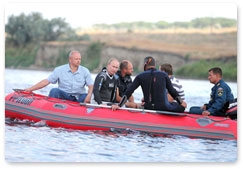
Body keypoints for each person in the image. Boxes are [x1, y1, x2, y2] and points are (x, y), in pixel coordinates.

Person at [112, 56, 187, 112]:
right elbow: (172, 91)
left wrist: (119, 105)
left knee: (141, 104)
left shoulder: (140, 76)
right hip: (164, 107)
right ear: (154, 65)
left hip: (148, 107)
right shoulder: (164, 75)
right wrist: (181, 102)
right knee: (181, 107)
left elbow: (129, 92)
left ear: (145, 65)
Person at [24, 50, 94, 103]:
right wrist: (30, 89)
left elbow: (91, 85)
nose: (78, 61)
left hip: (79, 97)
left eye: (80, 59)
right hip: (64, 95)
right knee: (54, 91)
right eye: (76, 59)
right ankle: (50, 110)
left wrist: (89, 95)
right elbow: (46, 81)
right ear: (70, 59)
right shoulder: (59, 70)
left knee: (85, 95)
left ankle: (80, 114)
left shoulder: (85, 71)